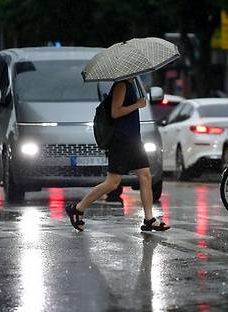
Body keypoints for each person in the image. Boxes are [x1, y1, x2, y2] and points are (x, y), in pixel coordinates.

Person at [65, 79, 170, 232]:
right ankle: (77, 208)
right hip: (121, 142)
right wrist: (137, 105)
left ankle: (149, 219)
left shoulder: (131, 84)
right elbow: (115, 112)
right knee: (112, 183)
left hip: (133, 141)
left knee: (145, 176)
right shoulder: (122, 85)